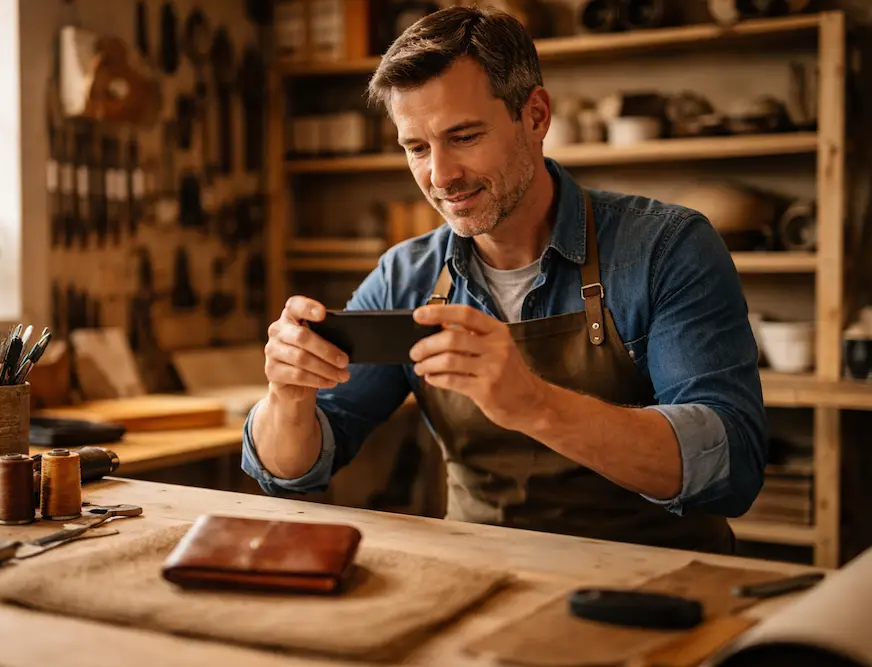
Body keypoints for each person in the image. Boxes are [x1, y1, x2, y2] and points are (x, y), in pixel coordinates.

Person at [241, 5, 767, 554]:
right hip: (483, 573)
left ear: (535, 116)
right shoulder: (407, 275)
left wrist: (536, 404)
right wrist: (288, 398)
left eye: (464, 136)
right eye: (416, 148)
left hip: (659, 579)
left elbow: (731, 465)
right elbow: (293, 472)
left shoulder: (666, 248)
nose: (440, 176)